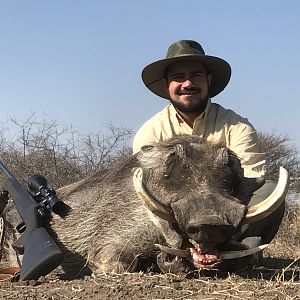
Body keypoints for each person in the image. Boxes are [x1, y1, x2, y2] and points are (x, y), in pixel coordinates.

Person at [133, 39, 285, 250]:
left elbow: (250, 181)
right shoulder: (150, 132)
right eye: (178, 77)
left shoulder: (237, 126)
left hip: (227, 215)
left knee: (270, 190)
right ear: (166, 84)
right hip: (179, 219)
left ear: (209, 80)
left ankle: (221, 243)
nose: (187, 84)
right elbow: (147, 191)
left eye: (196, 75)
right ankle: (228, 249)